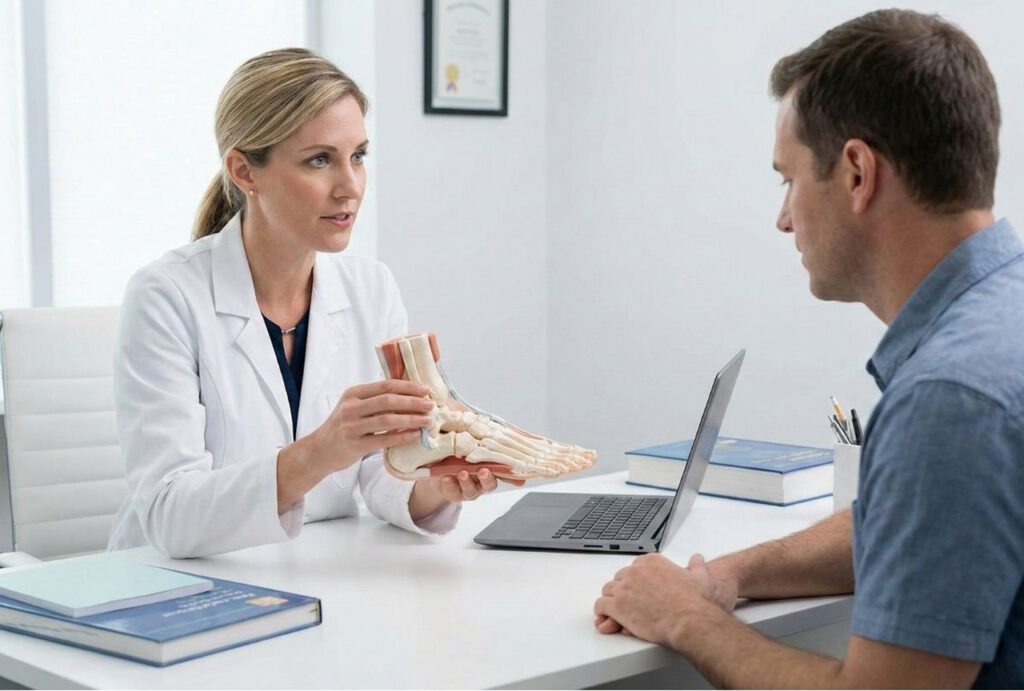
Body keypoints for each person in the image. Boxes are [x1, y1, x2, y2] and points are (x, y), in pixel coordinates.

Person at [593, 9, 1024, 688]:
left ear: (857, 172)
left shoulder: (950, 398)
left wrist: (687, 619)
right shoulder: (1006, 317)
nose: (784, 216)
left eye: (787, 178)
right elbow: (921, 524)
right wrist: (732, 575)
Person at [108, 48, 498, 558]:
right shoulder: (166, 297)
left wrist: (431, 487)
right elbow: (168, 515)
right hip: (178, 586)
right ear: (245, 172)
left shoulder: (370, 287)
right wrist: (321, 450)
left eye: (358, 155)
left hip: (320, 574)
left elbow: (378, 471)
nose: (350, 187)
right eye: (320, 160)